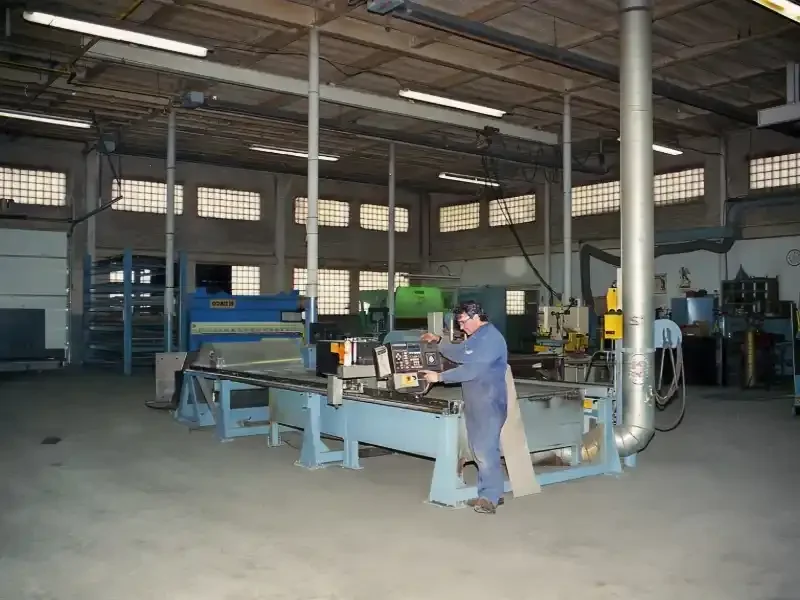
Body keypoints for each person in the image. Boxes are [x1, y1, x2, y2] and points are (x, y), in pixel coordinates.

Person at [419, 301, 509, 514]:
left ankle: (490, 497)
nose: (461, 327)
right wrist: (439, 341)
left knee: (485, 451)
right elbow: (461, 353)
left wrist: (439, 377)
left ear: (476, 316)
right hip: (477, 401)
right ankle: (490, 493)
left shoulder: (490, 339)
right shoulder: (477, 337)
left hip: (489, 402)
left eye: (462, 322)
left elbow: (471, 370)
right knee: (479, 450)